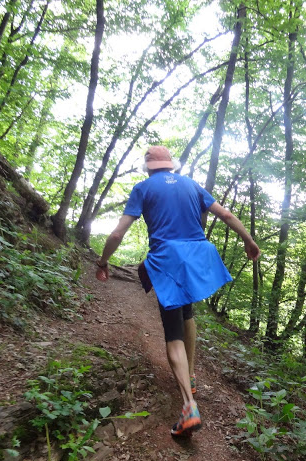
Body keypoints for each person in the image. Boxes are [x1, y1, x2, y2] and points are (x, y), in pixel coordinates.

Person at [95, 145, 260, 437]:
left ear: (149, 167)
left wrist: (103, 261)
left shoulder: (143, 188)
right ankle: (190, 375)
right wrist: (248, 240)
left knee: (173, 334)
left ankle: (188, 407)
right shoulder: (191, 185)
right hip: (196, 258)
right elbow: (226, 214)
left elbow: (118, 232)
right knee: (187, 313)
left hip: (169, 262)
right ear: (170, 164)